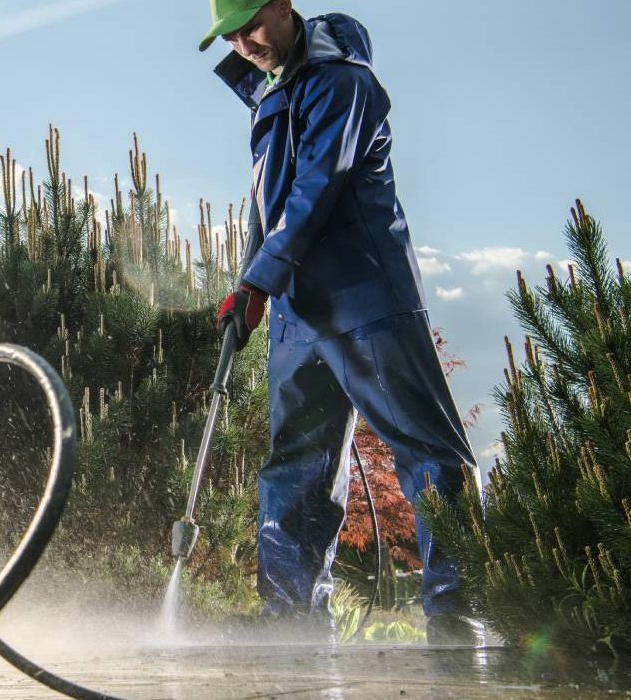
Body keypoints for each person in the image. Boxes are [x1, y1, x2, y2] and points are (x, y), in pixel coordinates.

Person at [199, 0, 484, 645]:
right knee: (296, 465)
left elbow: (315, 192)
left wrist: (259, 279)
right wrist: (250, 286)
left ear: (283, 5)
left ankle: (458, 615)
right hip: (298, 312)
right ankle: (289, 619)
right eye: (232, 36)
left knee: (427, 455)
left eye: (252, 26)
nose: (244, 44)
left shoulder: (342, 81)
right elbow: (268, 212)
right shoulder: (272, 96)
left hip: (364, 299)